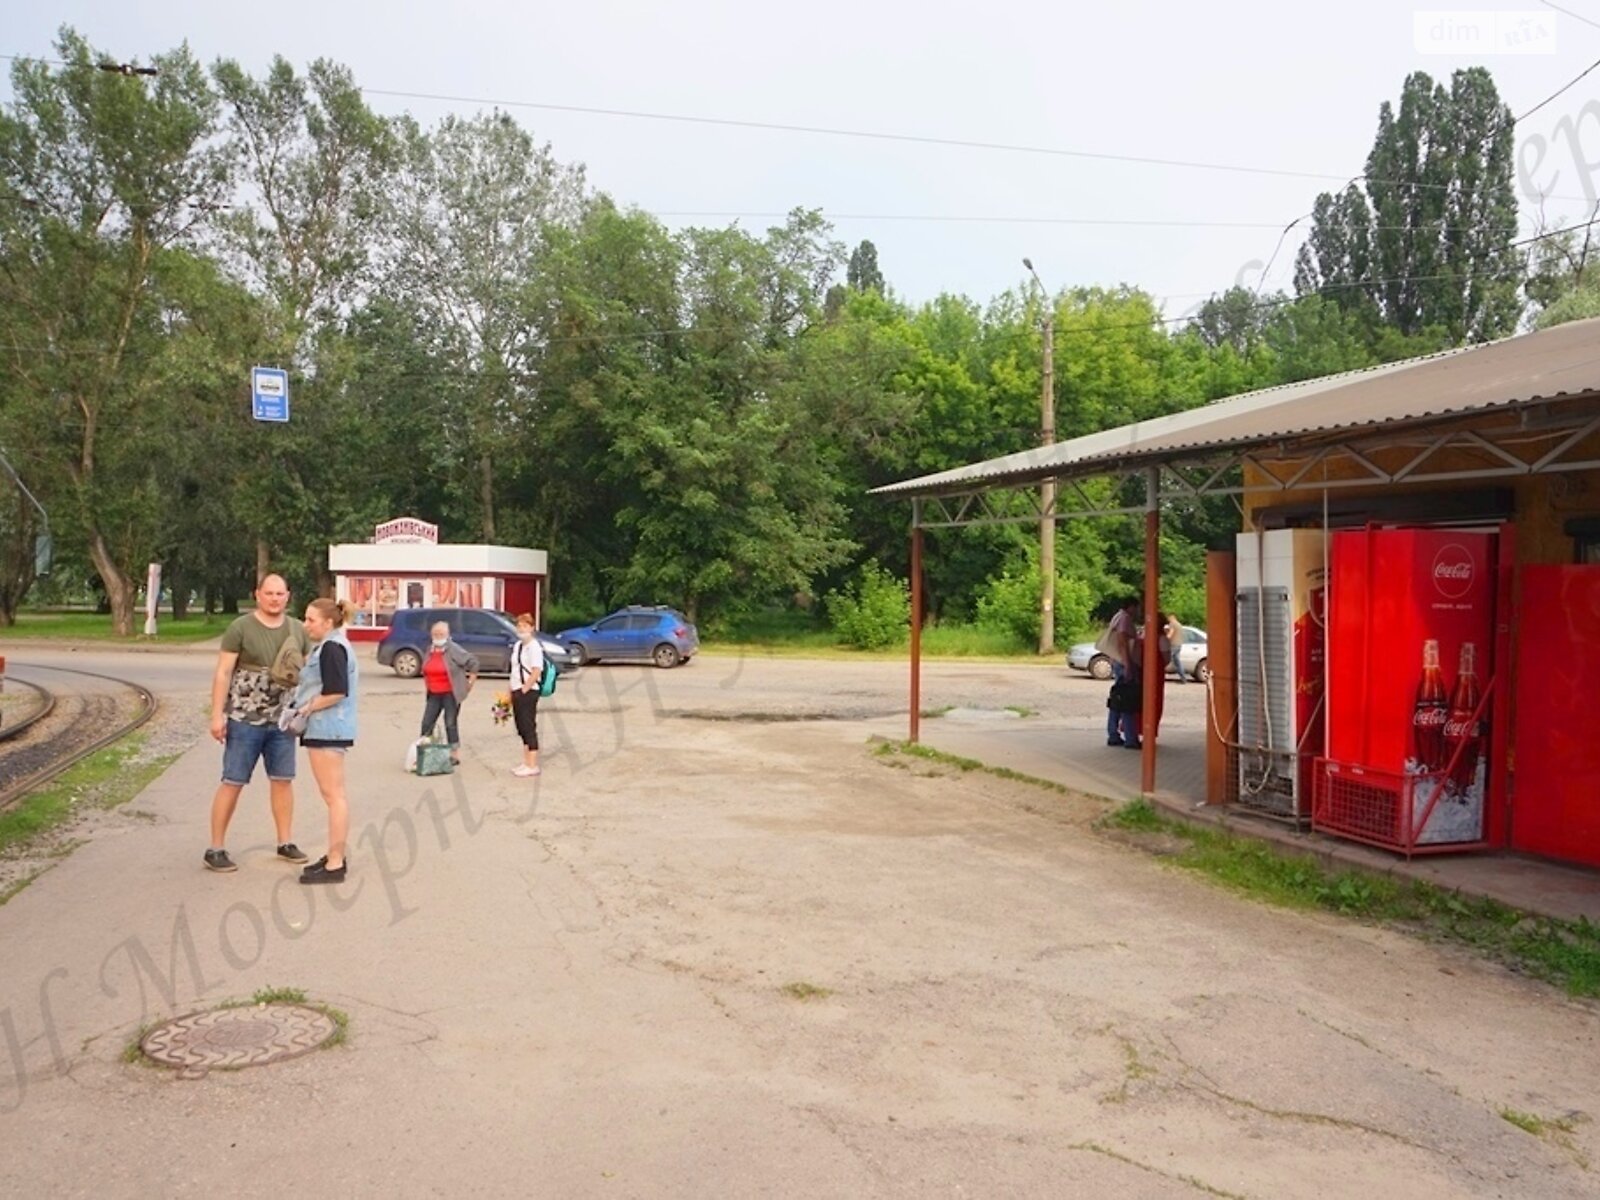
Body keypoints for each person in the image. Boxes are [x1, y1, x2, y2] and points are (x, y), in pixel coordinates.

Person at [204, 574, 311, 872]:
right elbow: (223, 672)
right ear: (258, 595)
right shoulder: (240, 628)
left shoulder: (297, 629)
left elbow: (305, 671)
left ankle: (285, 842)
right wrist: (216, 715)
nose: (275, 598)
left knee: (282, 779)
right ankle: (215, 847)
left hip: (282, 720)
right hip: (244, 718)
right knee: (233, 780)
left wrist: (305, 710)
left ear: (288, 596)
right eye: (269, 593)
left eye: (280, 594)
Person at [288, 598, 359, 884]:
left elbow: (337, 691)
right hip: (329, 728)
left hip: (328, 728)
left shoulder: (332, 648)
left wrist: (306, 708)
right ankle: (334, 855)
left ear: (328, 622)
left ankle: (335, 863)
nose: (306, 625)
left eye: (310, 620)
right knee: (334, 795)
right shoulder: (332, 645)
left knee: (334, 796)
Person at [420, 619, 479, 765]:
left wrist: (470, 682)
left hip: (450, 693)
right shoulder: (430, 649)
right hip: (434, 692)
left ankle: (454, 754)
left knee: (450, 723)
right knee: (427, 722)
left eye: (441, 633)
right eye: (435, 633)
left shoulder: (453, 649)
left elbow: (473, 662)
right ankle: (426, 751)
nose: (438, 636)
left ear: (447, 634)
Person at [508, 612, 545, 777]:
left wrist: (525, 688)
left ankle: (532, 764)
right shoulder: (518, 646)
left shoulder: (535, 647)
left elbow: (537, 670)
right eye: (519, 626)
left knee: (529, 725)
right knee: (521, 726)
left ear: (532, 628)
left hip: (529, 691)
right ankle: (525, 762)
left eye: (525, 626)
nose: (521, 629)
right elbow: (514, 669)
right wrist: (510, 689)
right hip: (516, 688)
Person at [1104, 597, 1142, 750]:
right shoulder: (1125, 619)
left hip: (1117, 661)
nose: (1138, 611)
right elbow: (1121, 640)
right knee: (1127, 701)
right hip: (1123, 662)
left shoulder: (1117, 616)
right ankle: (1130, 739)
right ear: (1131, 607)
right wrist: (1127, 664)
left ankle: (1113, 734)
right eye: (1136, 607)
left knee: (1118, 700)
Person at [1165, 613, 1189, 684]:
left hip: (1173, 645)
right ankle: (1183, 678)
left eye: (1168, 617)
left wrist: (1166, 638)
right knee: (1177, 662)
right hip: (1179, 645)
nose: (1168, 619)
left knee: (1166, 660)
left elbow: (1170, 634)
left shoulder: (1172, 624)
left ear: (1171, 617)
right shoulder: (1179, 624)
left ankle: (1161, 675)